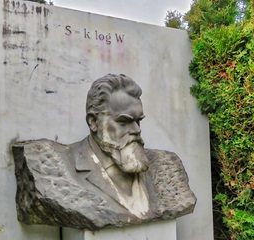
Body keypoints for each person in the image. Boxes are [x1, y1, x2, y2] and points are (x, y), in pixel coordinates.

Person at [13, 74, 196, 230]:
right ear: (93, 122)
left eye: (138, 121)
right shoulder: (55, 166)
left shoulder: (165, 166)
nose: (136, 130)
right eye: (124, 122)